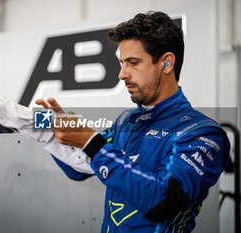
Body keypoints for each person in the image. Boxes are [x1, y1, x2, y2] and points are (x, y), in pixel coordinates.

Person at [34, 11, 230, 233]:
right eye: (121, 63)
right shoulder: (126, 121)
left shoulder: (202, 133)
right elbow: (77, 169)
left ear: (166, 63)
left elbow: (162, 202)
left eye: (133, 63)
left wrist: (91, 143)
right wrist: (49, 131)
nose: (122, 74)